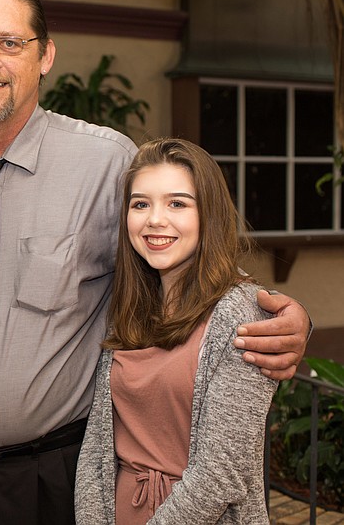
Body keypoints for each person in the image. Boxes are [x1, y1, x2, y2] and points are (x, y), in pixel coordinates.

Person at [0, 0, 310, 525]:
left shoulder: (108, 164)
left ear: (45, 56)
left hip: (55, 478)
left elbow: (173, 255)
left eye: (10, 43)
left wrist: (273, 311)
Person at [74, 138, 277, 524]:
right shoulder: (129, 309)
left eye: (177, 203)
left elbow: (222, 473)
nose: (154, 219)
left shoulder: (241, 313)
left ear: (209, 215)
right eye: (140, 204)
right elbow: (97, 448)